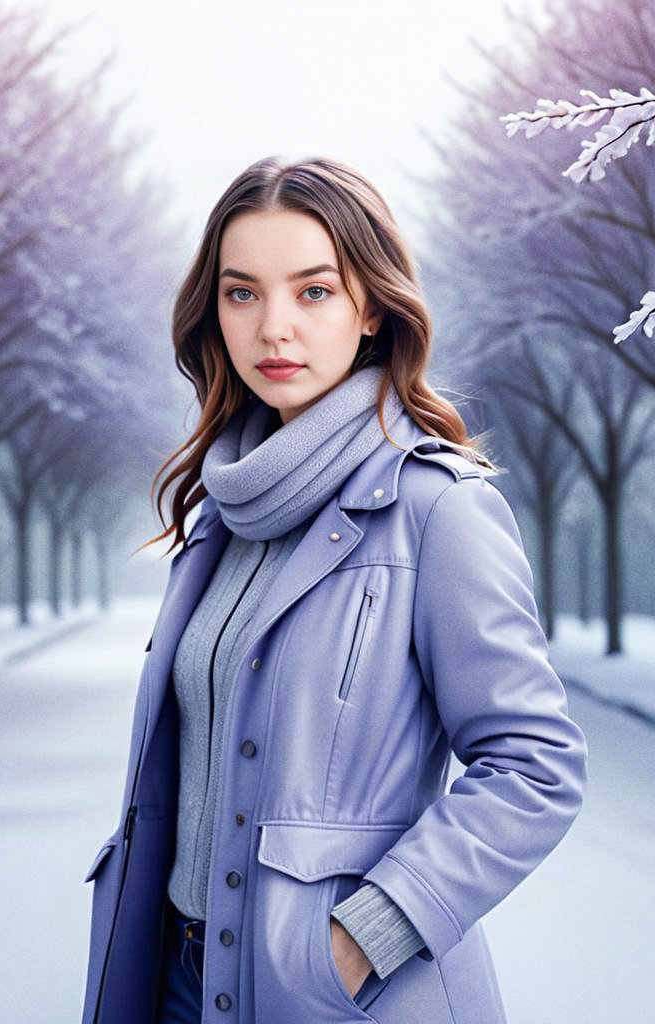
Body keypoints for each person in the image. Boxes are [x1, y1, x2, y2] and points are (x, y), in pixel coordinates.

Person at [78, 155, 588, 1024]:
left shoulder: (438, 509)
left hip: (340, 995)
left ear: (372, 309)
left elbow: (536, 768)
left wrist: (359, 940)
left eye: (313, 291)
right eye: (242, 294)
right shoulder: (219, 516)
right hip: (174, 980)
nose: (274, 327)